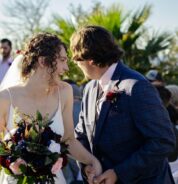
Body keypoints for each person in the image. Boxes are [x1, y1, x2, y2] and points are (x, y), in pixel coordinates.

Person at [70, 25, 176, 184]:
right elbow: (81, 135)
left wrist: (119, 173)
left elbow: (163, 140)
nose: (76, 65)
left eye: (77, 59)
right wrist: (88, 166)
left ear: (89, 60)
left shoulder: (137, 87)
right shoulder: (89, 89)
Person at [0, 33, 102, 184]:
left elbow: (68, 140)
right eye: (62, 60)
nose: (66, 68)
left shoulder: (65, 91)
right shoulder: (5, 98)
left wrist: (93, 161)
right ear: (42, 61)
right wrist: (13, 162)